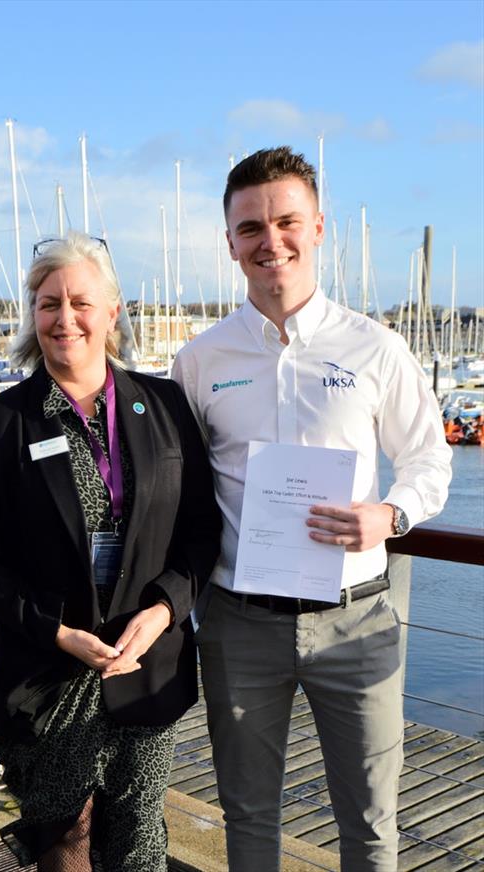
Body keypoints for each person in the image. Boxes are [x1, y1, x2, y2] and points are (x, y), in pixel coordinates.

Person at [173, 146, 452, 871]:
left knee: (370, 822)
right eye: (251, 227)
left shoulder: (376, 347)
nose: (272, 241)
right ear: (229, 241)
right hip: (238, 621)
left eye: (287, 221)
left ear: (319, 227)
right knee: (248, 816)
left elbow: (429, 459)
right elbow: (180, 485)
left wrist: (389, 515)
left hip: (355, 619)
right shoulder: (202, 359)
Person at [0, 232, 220, 871]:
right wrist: (57, 633)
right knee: (64, 841)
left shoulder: (164, 406)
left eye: (80, 302)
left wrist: (162, 611)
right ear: (32, 314)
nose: (64, 318)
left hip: (146, 666)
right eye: (48, 304)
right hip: (48, 672)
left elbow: (201, 530)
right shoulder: (0, 423)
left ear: (112, 311)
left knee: (139, 837)